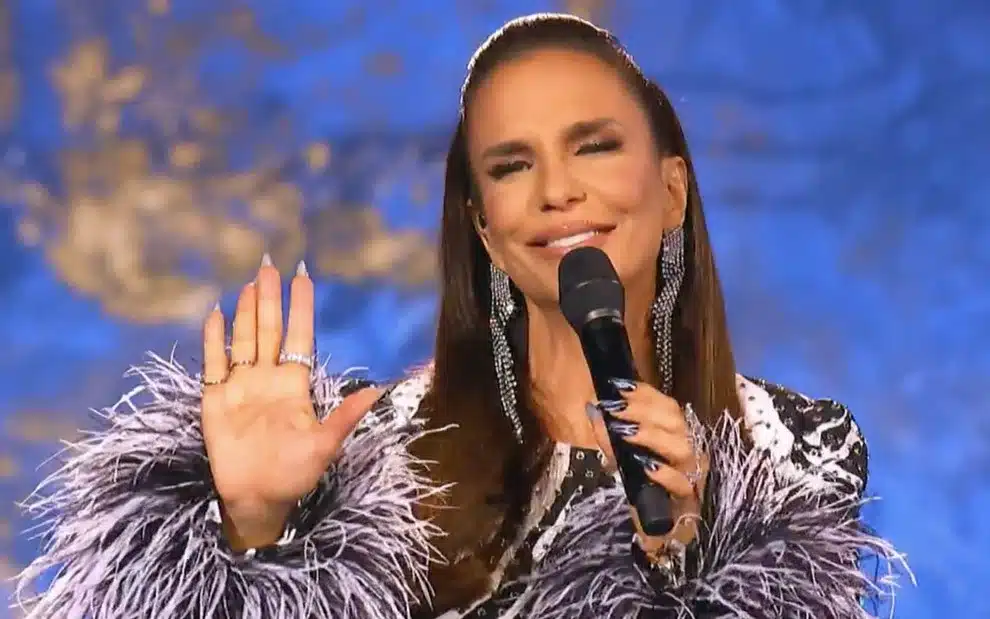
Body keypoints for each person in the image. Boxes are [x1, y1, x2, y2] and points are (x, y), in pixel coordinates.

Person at [14, 12, 908, 619]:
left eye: (594, 147)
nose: (558, 191)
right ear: (484, 227)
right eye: (512, 166)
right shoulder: (379, 458)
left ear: (672, 188)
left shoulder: (801, 452)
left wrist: (688, 565)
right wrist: (254, 537)